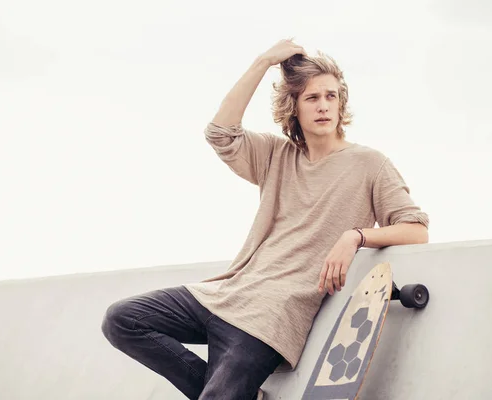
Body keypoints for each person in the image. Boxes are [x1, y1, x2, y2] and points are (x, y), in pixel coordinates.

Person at [101, 39, 429, 400]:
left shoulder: (370, 164)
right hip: (226, 294)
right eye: (312, 98)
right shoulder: (277, 154)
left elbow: (416, 229)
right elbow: (220, 133)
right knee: (121, 319)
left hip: (272, 319)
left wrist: (355, 236)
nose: (324, 106)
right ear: (295, 108)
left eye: (331, 96)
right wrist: (264, 61)